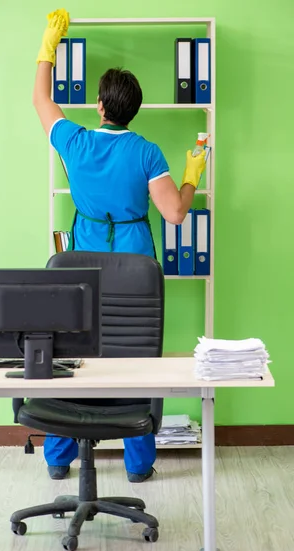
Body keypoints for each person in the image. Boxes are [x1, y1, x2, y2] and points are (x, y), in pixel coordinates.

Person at [33, 9, 207, 482]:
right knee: (136, 358)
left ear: (101, 106)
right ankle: (138, 464)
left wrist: (48, 48)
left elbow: (40, 99)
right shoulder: (147, 150)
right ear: (133, 109)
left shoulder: (76, 141)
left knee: (73, 353)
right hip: (135, 265)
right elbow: (174, 213)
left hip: (82, 264)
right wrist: (192, 177)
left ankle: (58, 457)